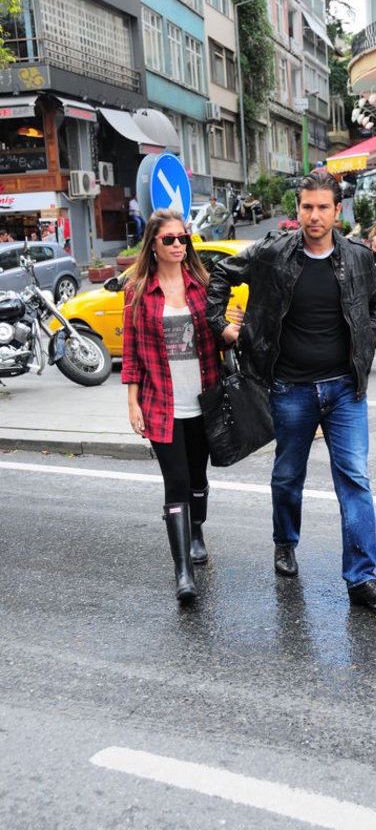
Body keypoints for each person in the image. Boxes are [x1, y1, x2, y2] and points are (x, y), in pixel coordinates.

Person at [206, 169, 376, 610]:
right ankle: (285, 541)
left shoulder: (357, 257)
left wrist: (365, 347)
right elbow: (220, 273)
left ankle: (361, 578)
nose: (315, 215)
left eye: (323, 207)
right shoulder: (273, 252)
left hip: (345, 389)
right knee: (288, 475)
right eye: (307, 206)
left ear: (337, 211)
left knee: (355, 478)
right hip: (290, 388)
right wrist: (223, 328)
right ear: (298, 209)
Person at [122, 208, 223, 604]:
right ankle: (183, 572)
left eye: (183, 238)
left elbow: (218, 333)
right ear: (153, 245)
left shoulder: (202, 284)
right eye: (169, 239)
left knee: (197, 477)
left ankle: (196, 531)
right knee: (176, 481)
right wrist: (132, 403)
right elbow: (132, 352)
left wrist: (231, 329)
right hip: (161, 404)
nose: (178, 244)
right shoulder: (137, 291)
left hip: (203, 399)